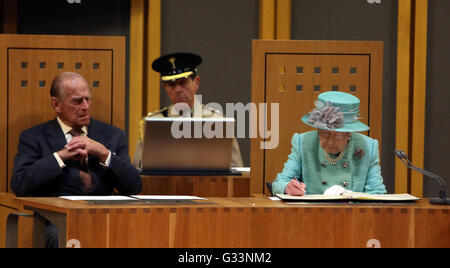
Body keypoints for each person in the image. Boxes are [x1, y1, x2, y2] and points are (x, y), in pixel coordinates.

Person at [11, 72, 142, 247]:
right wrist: (60, 156)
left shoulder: (112, 136)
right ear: (56, 104)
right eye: (77, 101)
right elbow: (20, 184)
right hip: (56, 221)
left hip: (106, 218)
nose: (86, 106)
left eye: (88, 99)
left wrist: (104, 154)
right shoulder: (34, 137)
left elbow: (134, 186)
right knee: (64, 238)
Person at [133, 52, 243, 168]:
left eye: (183, 83)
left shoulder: (218, 123)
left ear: (196, 82)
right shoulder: (152, 125)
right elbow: (138, 173)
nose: (178, 90)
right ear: (165, 87)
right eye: (172, 84)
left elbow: (236, 172)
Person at [272, 91, 386, 196]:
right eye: (325, 134)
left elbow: (378, 193)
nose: (331, 142)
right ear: (317, 129)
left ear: (349, 134)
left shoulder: (368, 146)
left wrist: (349, 194)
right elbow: (279, 183)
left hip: (353, 215)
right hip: (311, 215)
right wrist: (288, 187)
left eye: (338, 135)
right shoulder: (303, 142)